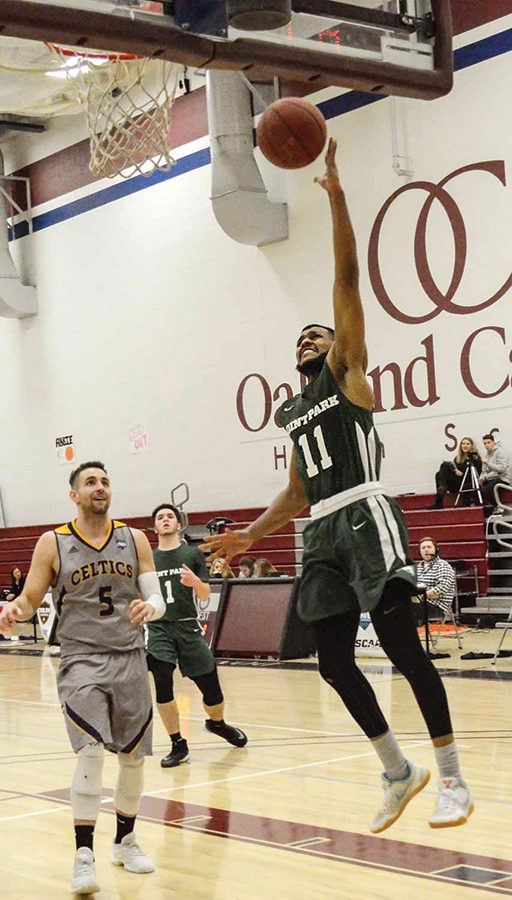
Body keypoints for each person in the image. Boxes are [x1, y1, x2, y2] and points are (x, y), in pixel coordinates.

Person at [202, 139, 473, 833]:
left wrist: (337, 198)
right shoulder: (293, 410)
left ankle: (452, 780)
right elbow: (296, 494)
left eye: (315, 334)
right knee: (330, 660)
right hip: (320, 527)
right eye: (300, 338)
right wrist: (250, 536)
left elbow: (348, 280)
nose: (306, 339)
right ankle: (397, 769)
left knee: (405, 650)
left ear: (335, 345)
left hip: (367, 515)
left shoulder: (348, 373)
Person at [0, 461, 166, 896]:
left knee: (132, 758)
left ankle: (125, 840)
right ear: (74, 495)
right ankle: (83, 854)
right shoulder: (52, 542)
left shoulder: (135, 538)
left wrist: (153, 607)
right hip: (81, 659)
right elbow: (32, 595)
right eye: (90, 482)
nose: (100, 487)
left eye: (105, 481)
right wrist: (16, 610)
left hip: (130, 657)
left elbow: (155, 593)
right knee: (91, 753)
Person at [147, 504, 248, 768]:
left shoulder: (191, 554)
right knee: (162, 682)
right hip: (158, 628)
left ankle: (217, 723)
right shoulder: (147, 559)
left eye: (170, 516)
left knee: (212, 691)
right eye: (160, 517)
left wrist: (196, 582)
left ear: (179, 525)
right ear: (155, 527)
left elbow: (205, 594)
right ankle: (178, 744)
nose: (166, 520)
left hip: (188, 627)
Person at [415, 537, 456, 626]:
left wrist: (420, 596)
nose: (426, 550)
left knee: (401, 609)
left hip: (437, 607)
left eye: (429, 547)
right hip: (419, 603)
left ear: (436, 549)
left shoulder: (443, 566)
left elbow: (441, 589)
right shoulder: (418, 567)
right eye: (423, 548)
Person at [431, 437, 482, 508]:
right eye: (463, 444)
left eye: (467, 444)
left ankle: (441, 492)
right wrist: (455, 471)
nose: (465, 445)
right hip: (457, 482)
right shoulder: (457, 458)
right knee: (440, 471)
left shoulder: (475, 458)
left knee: (442, 471)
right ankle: (441, 493)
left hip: (467, 482)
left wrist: (462, 474)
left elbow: (477, 474)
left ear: (471, 446)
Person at [479, 433, 512, 509]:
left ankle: (499, 507)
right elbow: (484, 470)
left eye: (488, 442)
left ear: (494, 442)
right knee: (478, 489)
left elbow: (501, 469)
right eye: (484, 443)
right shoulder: (487, 454)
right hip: (492, 478)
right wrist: (481, 478)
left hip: (503, 478)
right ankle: (492, 507)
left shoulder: (500, 452)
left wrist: (487, 463)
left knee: (485, 490)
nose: (486, 445)